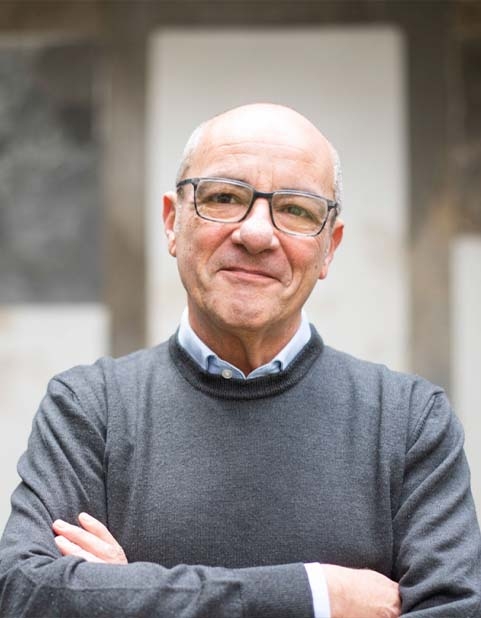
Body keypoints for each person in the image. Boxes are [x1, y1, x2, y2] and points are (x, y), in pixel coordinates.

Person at [0, 103, 479, 618]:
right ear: (171, 222)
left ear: (329, 249)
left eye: (295, 209)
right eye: (224, 198)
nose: (256, 234)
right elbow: (26, 594)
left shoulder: (408, 421)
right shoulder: (91, 410)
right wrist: (315, 595)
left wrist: (127, 595)